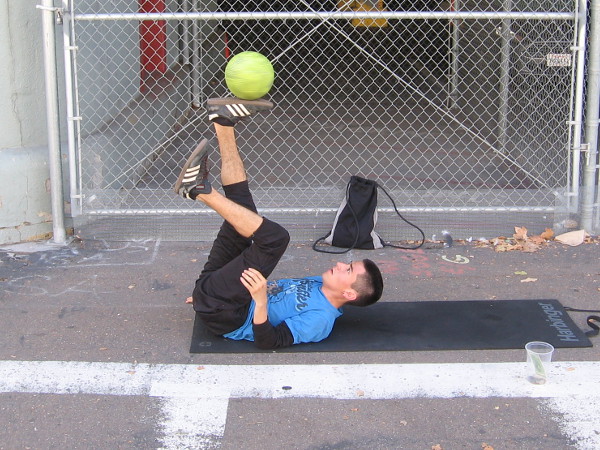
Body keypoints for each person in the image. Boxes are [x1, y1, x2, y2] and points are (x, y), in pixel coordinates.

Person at [174, 98, 384, 349]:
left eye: (348, 270)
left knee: (275, 239)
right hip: (222, 297)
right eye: (347, 264)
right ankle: (223, 122)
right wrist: (212, 291)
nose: (340, 264)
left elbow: (270, 341)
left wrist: (259, 301)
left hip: (228, 314)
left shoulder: (321, 320)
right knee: (243, 210)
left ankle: (199, 190)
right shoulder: (320, 283)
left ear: (349, 294)